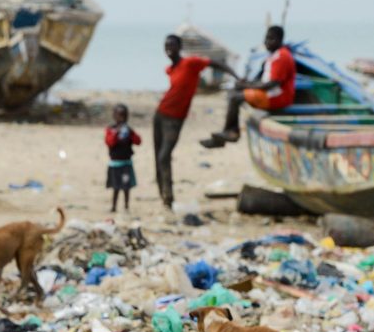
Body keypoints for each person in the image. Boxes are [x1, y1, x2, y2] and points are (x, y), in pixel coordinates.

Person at [155, 34, 235, 209]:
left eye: (172, 45)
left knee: (164, 155)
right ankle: (163, 194)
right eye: (166, 45)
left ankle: (168, 197)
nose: (169, 49)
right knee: (158, 155)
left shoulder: (191, 63)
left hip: (175, 119)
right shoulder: (169, 69)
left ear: (180, 46)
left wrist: (236, 76)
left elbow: (216, 64)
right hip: (160, 114)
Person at [202, 25, 295, 148]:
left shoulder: (281, 57)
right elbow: (263, 80)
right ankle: (226, 133)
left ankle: (232, 132)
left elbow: (271, 84)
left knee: (235, 98)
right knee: (234, 91)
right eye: (266, 39)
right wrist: (246, 85)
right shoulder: (273, 56)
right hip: (270, 94)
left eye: (271, 39)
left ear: (280, 40)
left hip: (277, 98)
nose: (267, 42)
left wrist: (247, 85)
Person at [105, 104, 141, 213]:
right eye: (119, 115)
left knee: (126, 187)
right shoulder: (111, 130)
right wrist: (116, 133)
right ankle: (114, 206)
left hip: (126, 164)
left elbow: (138, 141)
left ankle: (126, 207)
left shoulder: (129, 130)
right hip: (115, 164)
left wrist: (130, 132)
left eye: (123, 115)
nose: (121, 118)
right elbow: (109, 142)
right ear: (114, 116)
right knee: (115, 187)